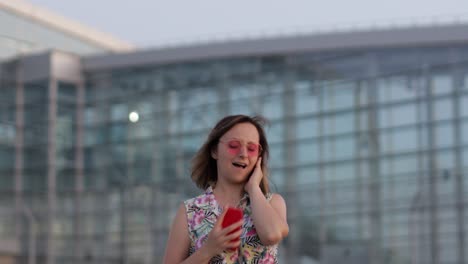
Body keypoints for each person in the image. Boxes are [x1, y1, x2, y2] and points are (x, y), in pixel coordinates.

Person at [163, 115, 289, 263]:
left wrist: (254, 188)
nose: (243, 154)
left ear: (259, 157)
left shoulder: (273, 202)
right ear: (214, 151)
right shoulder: (190, 211)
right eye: (234, 146)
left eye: (251, 148)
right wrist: (209, 249)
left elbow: (271, 235)